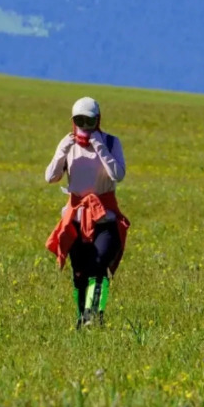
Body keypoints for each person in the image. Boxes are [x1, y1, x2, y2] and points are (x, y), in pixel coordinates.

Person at [45, 96, 129, 327]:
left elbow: (117, 175)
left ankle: (95, 314)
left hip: (105, 218)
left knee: (98, 264)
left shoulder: (111, 143)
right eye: (79, 121)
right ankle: (82, 316)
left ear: (98, 120)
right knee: (79, 273)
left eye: (89, 121)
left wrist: (99, 146)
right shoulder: (68, 144)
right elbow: (50, 177)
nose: (84, 127)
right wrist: (63, 150)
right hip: (76, 219)